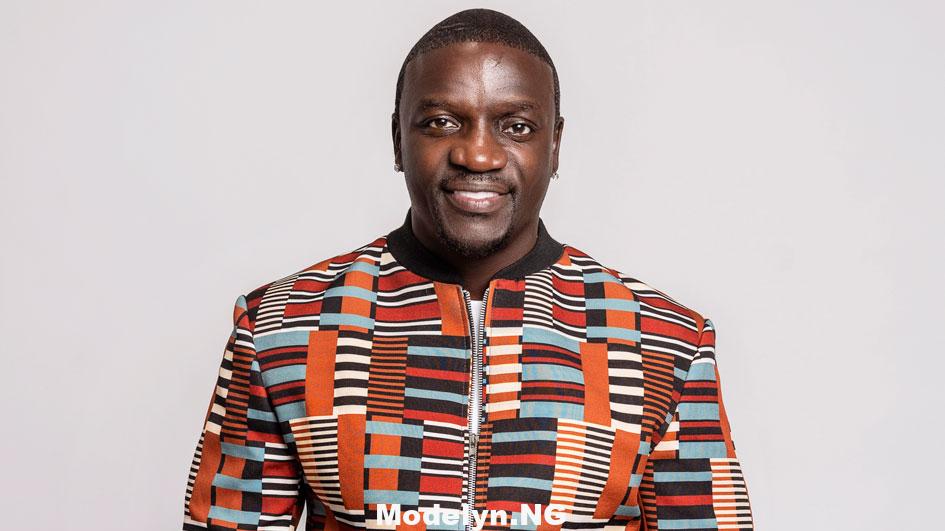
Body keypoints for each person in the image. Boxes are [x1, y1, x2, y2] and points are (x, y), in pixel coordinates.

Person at [181, 8, 753, 530]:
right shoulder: (282, 327)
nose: (477, 155)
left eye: (517, 126)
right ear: (398, 141)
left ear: (555, 147)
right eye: (441, 122)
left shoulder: (666, 341)